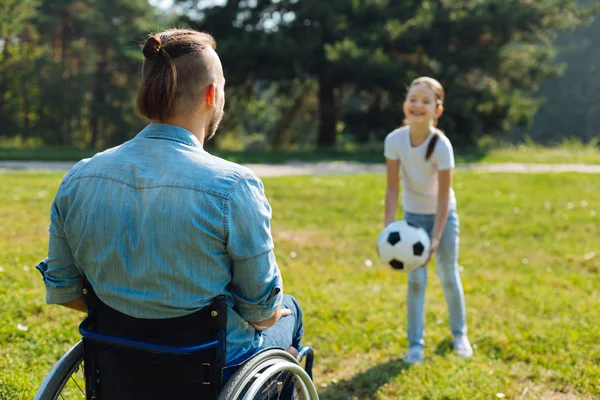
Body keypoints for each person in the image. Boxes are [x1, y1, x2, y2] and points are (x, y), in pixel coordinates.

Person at [36, 28, 303, 368]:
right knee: (290, 312)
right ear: (212, 95)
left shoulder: (80, 176)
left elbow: (65, 290)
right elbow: (262, 314)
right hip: (212, 363)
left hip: (117, 358)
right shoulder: (234, 186)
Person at [383, 76, 473, 364]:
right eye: (413, 99)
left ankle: (460, 334)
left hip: (442, 219)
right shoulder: (394, 140)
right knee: (416, 281)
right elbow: (392, 187)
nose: (417, 105)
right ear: (405, 104)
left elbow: (444, 197)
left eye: (426, 101)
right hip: (411, 220)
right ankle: (415, 345)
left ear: (437, 110)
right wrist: (388, 229)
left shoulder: (441, 145)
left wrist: (435, 238)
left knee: (448, 275)